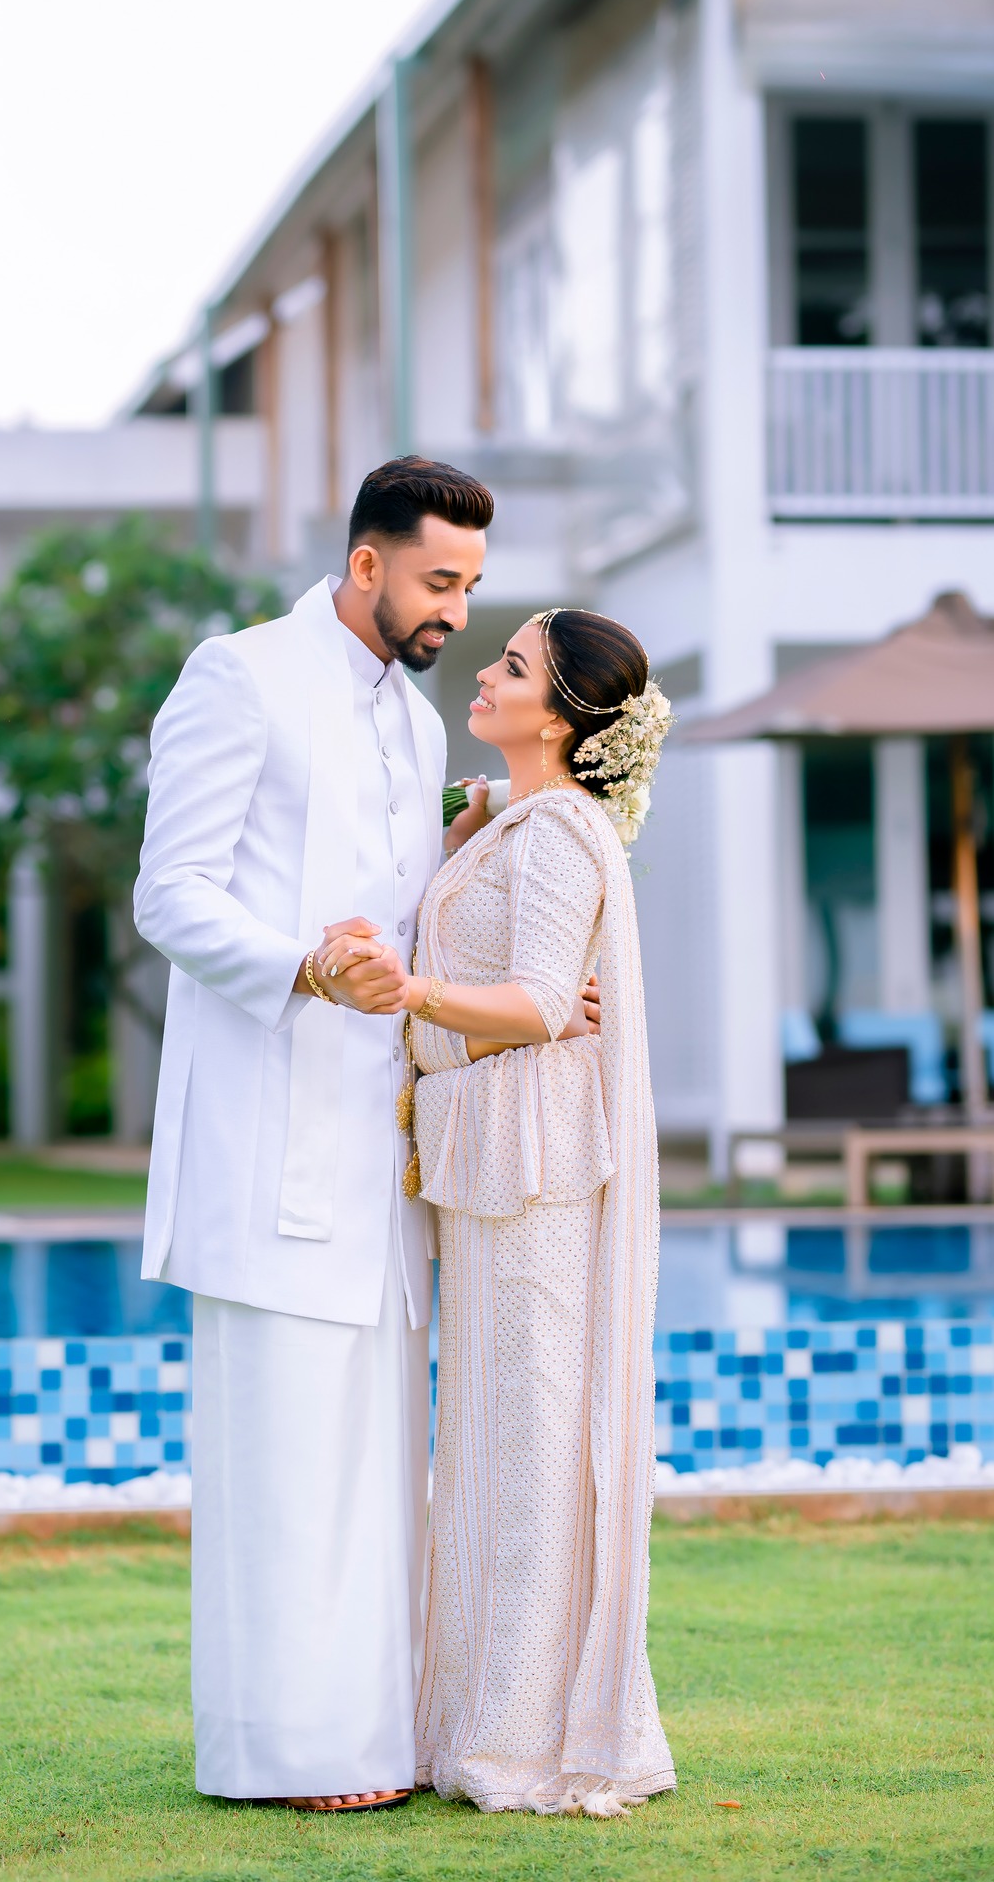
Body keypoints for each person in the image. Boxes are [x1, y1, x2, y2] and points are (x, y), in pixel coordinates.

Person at [133, 455, 495, 1812]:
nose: (455, 610)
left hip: (381, 1151)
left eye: (469, 586)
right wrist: (300, 966)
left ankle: (371, 1742)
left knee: (372, 1466)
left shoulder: (414, 719)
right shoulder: (237, 675)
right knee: (282, 1469)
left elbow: (402, 912)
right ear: (364, 564)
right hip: (265, 1138)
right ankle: (282, 1756)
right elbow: (169, 894)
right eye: (438, 580)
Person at [321, 605, 677, 1817]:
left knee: (531, 1449)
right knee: (483, 1447)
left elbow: (536, 999)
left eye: (513, 665)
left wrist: (408, 990)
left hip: (537, 1177)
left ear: (564, 716)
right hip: (489, 1171)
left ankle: (527, 1734)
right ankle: (477, 1714)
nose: (484, 668)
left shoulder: (562, 833)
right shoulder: (516, 819)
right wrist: (469, 814)